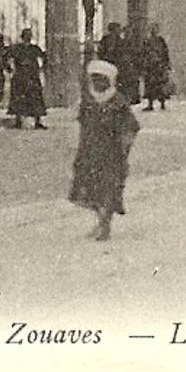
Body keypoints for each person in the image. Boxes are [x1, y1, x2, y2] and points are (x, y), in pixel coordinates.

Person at [68, 60, 141, 241]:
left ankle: (105, 224)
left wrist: (125, 147)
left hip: (112, 153)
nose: (98, 83)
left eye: (102, 79)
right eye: (94, 79)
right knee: (89, 188)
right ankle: (100, 219)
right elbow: (80, 123)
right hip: (89, 151)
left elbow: (131, 127)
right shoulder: (87, 101)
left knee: (108, 187)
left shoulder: (118, 102)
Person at [7, 27, 48, 130]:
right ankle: (18, 120)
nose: (28, 37)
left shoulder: (34, 48)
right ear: (23, 36)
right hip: (21, 75)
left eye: (29, 35)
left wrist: (41, 67)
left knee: (35, 97)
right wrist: (10, 69)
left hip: (32, 75)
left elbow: (43, 57)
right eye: (26, 35)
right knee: (19, 97)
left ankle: (37, 120)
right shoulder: (17, 48)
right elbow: (7, 57)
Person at [140, 23, 172, 111]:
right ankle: (150, 104)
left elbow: (165, 53)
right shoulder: (146, 41)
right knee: (150, 85)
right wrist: (144, 65)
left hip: (159, 66)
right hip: (150, 67)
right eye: (151, 29)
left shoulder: (161, 40)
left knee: (161, 85)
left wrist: (166, 64)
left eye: (155, 29)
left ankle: (162, 103)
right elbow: (143, 54)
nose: (153, 31)